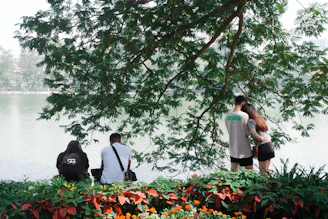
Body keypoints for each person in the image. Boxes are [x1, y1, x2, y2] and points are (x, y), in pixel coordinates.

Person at [242, 104, 275, 175]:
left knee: (263, 173)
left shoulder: (250, 121)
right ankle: (270, 185)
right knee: (267, 171)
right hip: (270, 145)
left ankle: (264, 185)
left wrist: (261, 139)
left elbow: (254, 134)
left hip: (264, 146)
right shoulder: (258, 119)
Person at [225, 95, 253, 171]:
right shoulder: (244, 115)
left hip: (233, 149)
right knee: (250, 173)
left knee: (232, 172)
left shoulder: (227, 116)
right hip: (244, 150)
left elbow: (229, 130)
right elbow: (247, 132)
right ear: (243, 103)